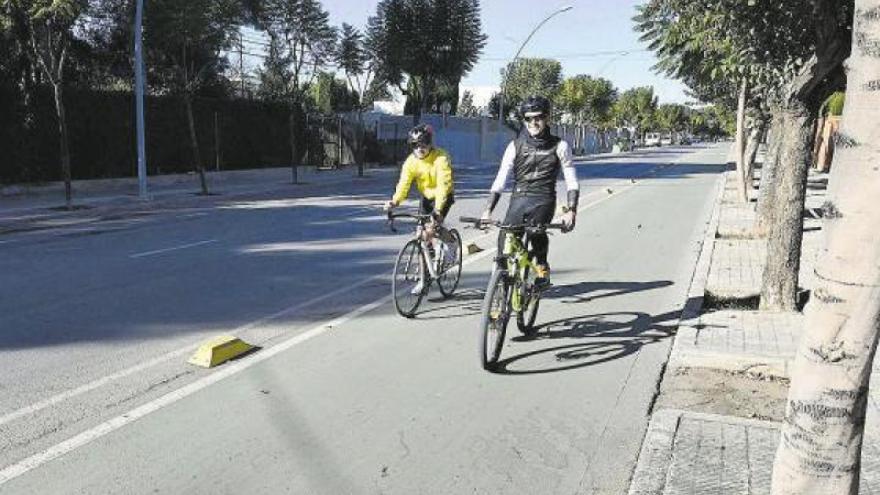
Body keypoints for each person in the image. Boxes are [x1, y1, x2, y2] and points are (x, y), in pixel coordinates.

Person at [480, 95, 579, 287]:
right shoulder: (514, 146)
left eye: (538, 117)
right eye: (528, 118)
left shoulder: (560, 146)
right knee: (506, 235)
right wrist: (487, 210)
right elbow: (501, 179)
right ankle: (499, 285)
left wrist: (571, 211)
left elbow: (572, 181)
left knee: (536, 232)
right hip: (519, 198)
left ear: (547, 118)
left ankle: (542, 266)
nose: (533, 122)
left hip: (544, 199)